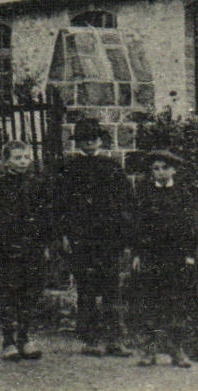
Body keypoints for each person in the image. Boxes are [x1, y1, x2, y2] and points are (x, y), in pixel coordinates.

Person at [54, 119, 132, 356]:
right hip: (82, 238)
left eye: (93, 138)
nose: (89, 142)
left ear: (100, 140)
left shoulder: (113, 167)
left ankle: (114, 339)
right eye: (84, 139)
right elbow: (60, 205)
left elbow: (125, 203)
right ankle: (91, 339)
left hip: (108, 237)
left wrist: (123, 235)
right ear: (79, 142)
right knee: (87, 287)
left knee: (111, 287)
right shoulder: (69, 168)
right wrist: (64, 233)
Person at [128, 149, 198, 368]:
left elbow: (192, 227)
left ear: (174, 170)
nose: (160, 173)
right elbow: (138, 226)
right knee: (150, 301)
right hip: (152, 256)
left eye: (165, 168)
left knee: (176, 302)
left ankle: (176, 350)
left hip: (176, 257)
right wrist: (137, 254)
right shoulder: (145, 194)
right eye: (155, 169)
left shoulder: (184, 194)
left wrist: (189, 254)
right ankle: (150, 349)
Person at [0, 140, 52, 361]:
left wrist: (44, 245)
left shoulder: (37, 184)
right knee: (9, 293)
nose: (22, 162)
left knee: (29, 292)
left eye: (25, 157)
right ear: (5, 162)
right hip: (7, 247)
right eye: (17, 157)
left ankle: (25, 337)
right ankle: (8, 340)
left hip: (32, 246)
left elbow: (43, 217)